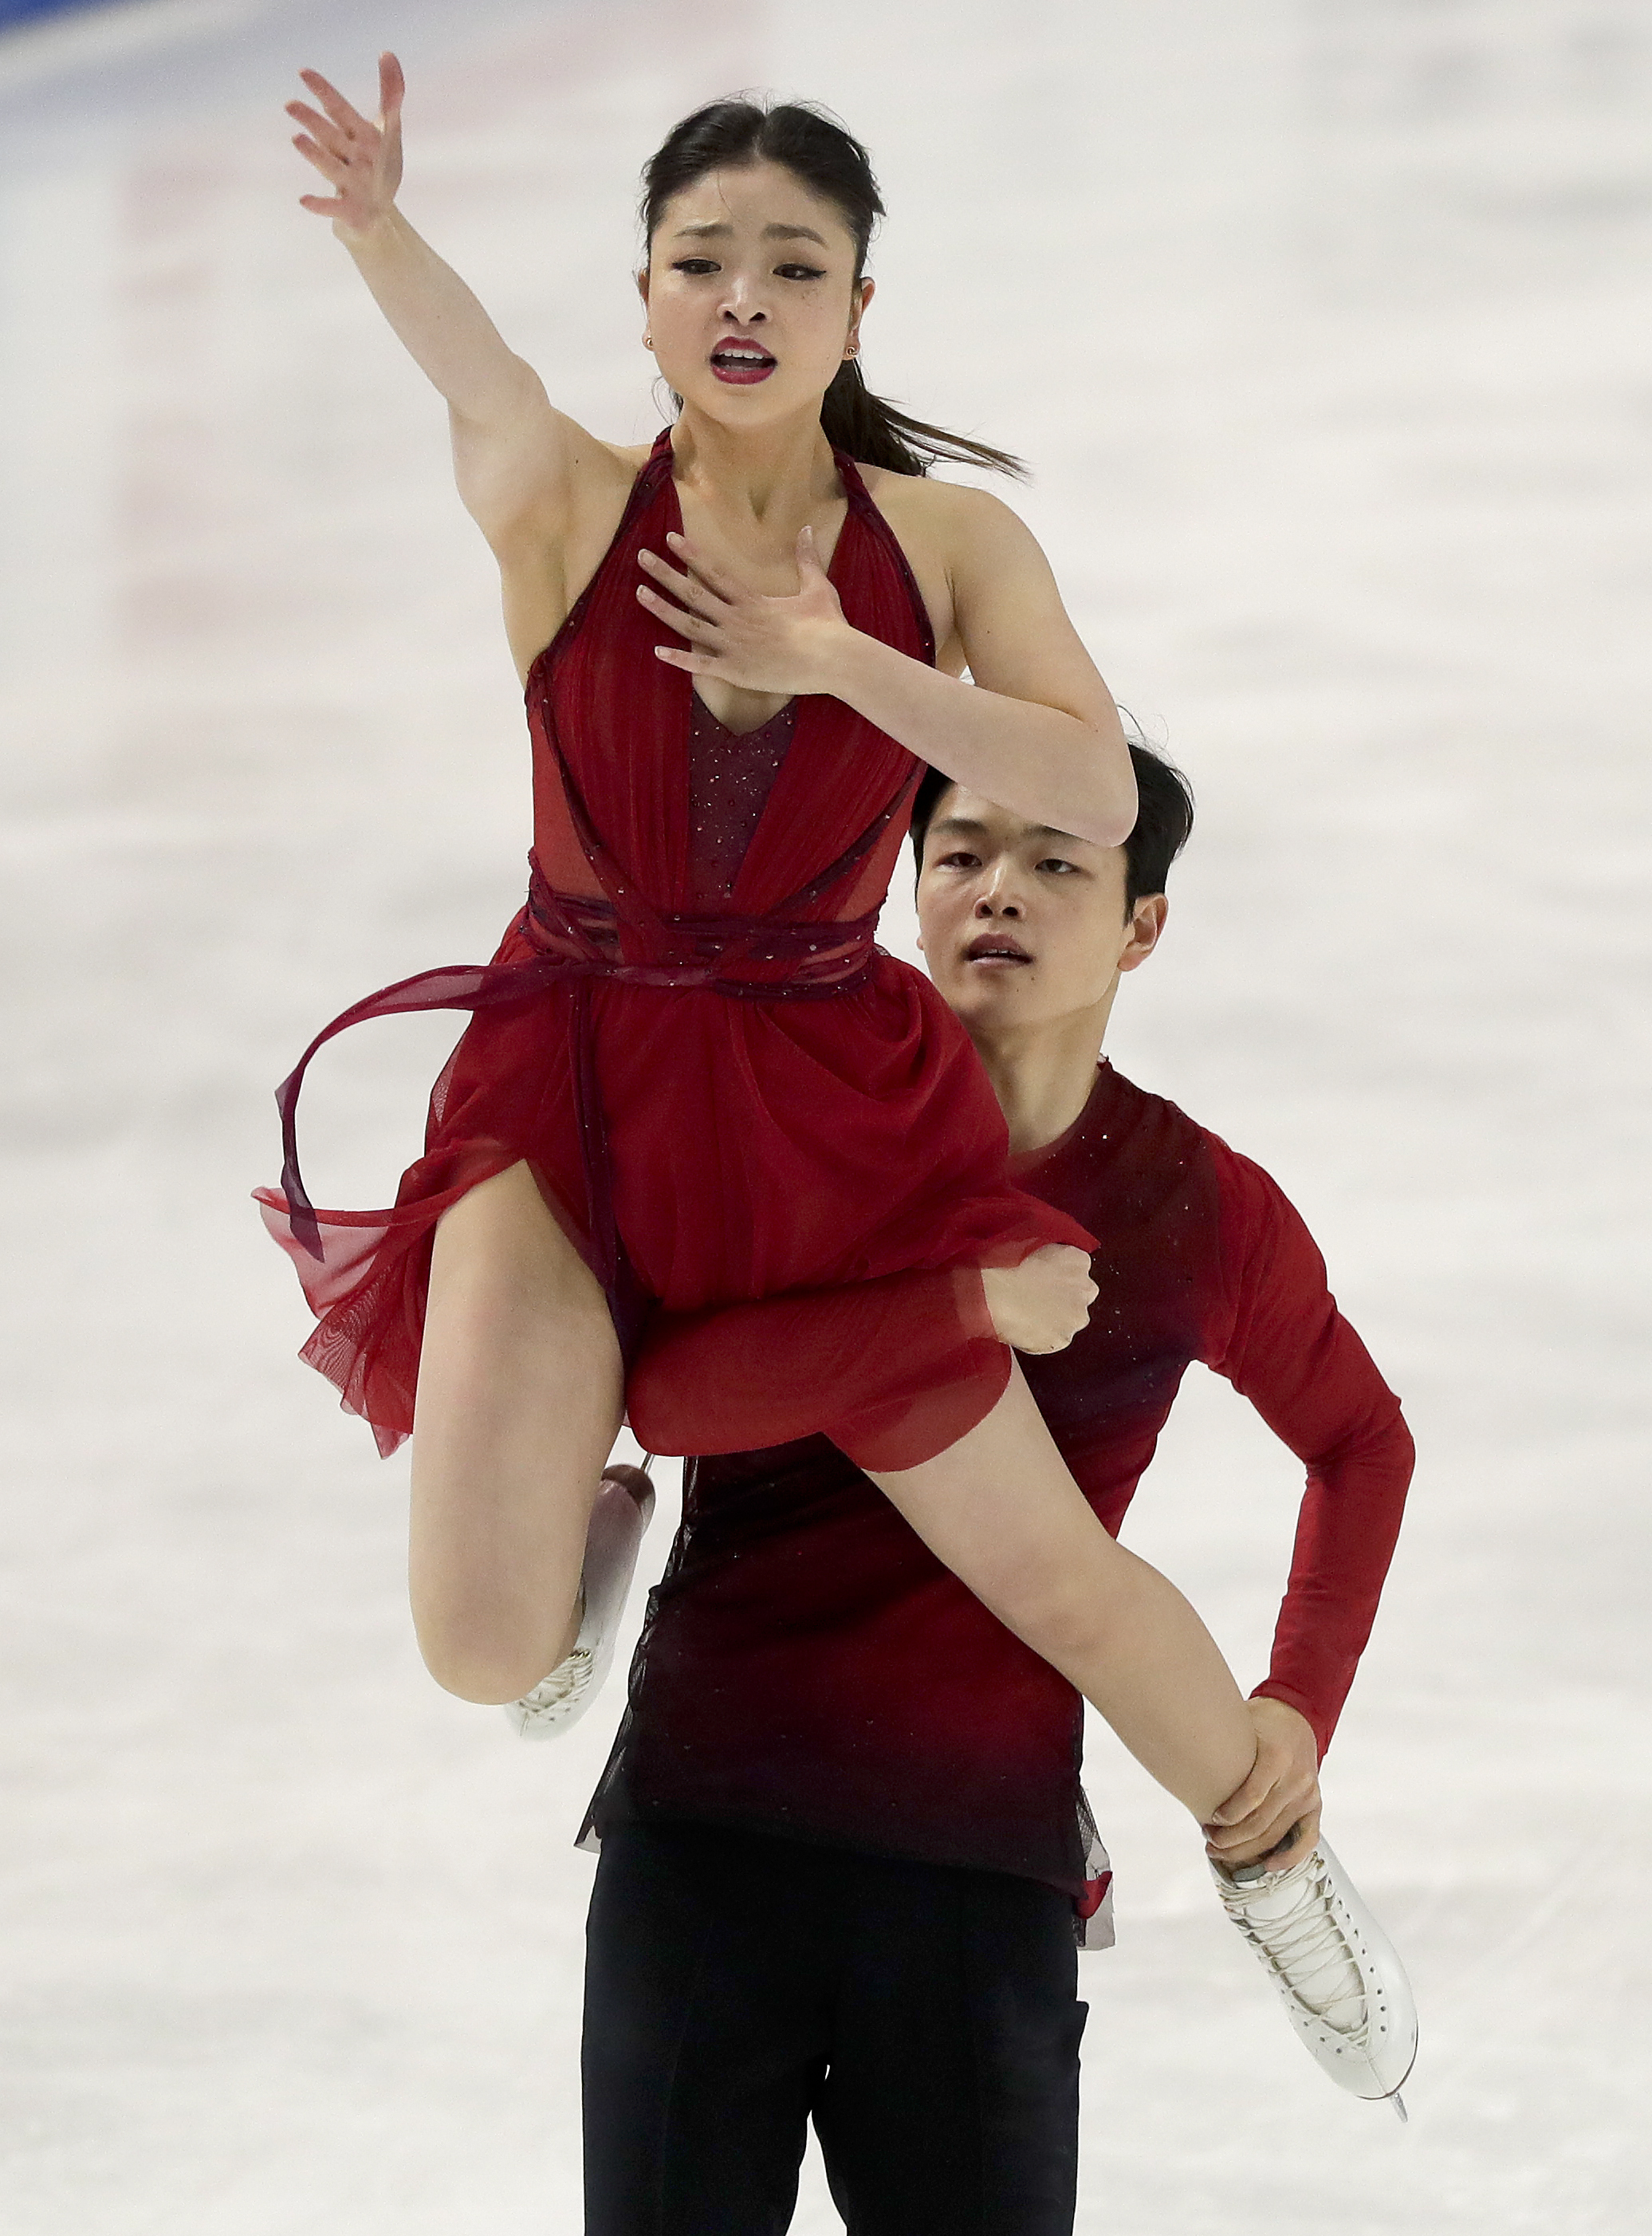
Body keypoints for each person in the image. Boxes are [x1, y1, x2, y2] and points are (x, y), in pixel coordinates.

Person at [259, 58, 1273, 1864]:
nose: (744, 299)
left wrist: (844, 664)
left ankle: (1274, 1849)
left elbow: (1090, 785)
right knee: (483, 1644)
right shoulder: (563, 503)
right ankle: (598, 1506)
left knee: (1045, 1569)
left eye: (794, 266)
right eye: (699, 261)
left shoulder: (946, 547)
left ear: (859, 305)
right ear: (642, 298)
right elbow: (471, 370)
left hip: (818, 1099)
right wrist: (378, 221)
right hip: (562, 1075)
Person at [535, 745, 1417, 2229]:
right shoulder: (791, 1124)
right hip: (705, 1832)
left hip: (975, 1869)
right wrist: (949, 1309)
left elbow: (1360, 1442)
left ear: (1141, 926)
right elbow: (662, 1394)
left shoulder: (1198, 1207)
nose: (997, 890)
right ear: (907, 889)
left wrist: (1295, 1707)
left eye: (1057, 864)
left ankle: (1277, 1862)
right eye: (961, 855)